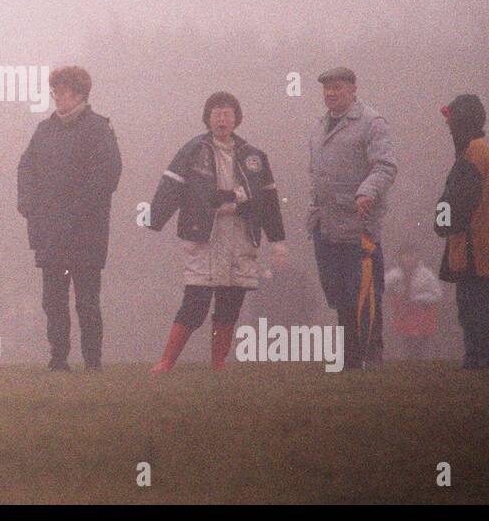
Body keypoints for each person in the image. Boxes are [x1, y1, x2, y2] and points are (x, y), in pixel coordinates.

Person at [147, 92, 286, 372]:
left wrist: (277, 240)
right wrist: (154, 219)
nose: (222, 118)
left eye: (227, 113)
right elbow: (171, 186)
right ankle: (166, 362)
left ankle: (218, 363)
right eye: (216, 113)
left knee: (230, 302)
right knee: (195, 301)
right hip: (204, 236)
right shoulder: (192, 151)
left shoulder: (254, 156)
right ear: (207, 118)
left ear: (236, 119)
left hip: (241, 235)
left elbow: (269, 200)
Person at [16, 66, 122, 371]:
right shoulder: (43, 131)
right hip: (49, 233)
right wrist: (27, 203)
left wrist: (77, 210)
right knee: (53, 302)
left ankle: (92, 362)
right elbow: (25, 167)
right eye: (55, 92)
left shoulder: (100, 129)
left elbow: (108, 175)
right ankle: (58, 359)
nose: (58, 98)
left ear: (79, 94)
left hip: (86, 233)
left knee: (87, 301)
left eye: (63, 92)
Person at [307, 67, 397, 370]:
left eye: (337, 87)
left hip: (358, 224)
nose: (331, 93)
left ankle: (371, 354)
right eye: (327, 88)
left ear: (353, 88)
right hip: (325, 225)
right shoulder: (319, 125)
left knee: (365, 291)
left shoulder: (372, 122)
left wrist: (366, 192)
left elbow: (385, 166)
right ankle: (349, 357)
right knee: (338, 293)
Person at [433, 95, 489, 369]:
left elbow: (460, 198)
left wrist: (441, 222)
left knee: (474, 303)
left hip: (474, 243)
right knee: (474, 301)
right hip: (474, 240)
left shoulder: (474, 152)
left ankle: (482, 358)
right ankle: (479, 357)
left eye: (452, 120)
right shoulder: (477, 148)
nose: (448, 126)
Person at [385, 243, 444, 360]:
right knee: (406, 340)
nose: (409, 258)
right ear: (400, 257)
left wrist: (419, 299)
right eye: (405, 255)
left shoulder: (426, 274)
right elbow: (383, 287)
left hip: (422, 313)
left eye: (412, 255)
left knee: (420, 341)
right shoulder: (394, 274)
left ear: (417, 256)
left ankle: (419, 360)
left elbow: (437, 294)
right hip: (403, 313)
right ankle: (409, 361)